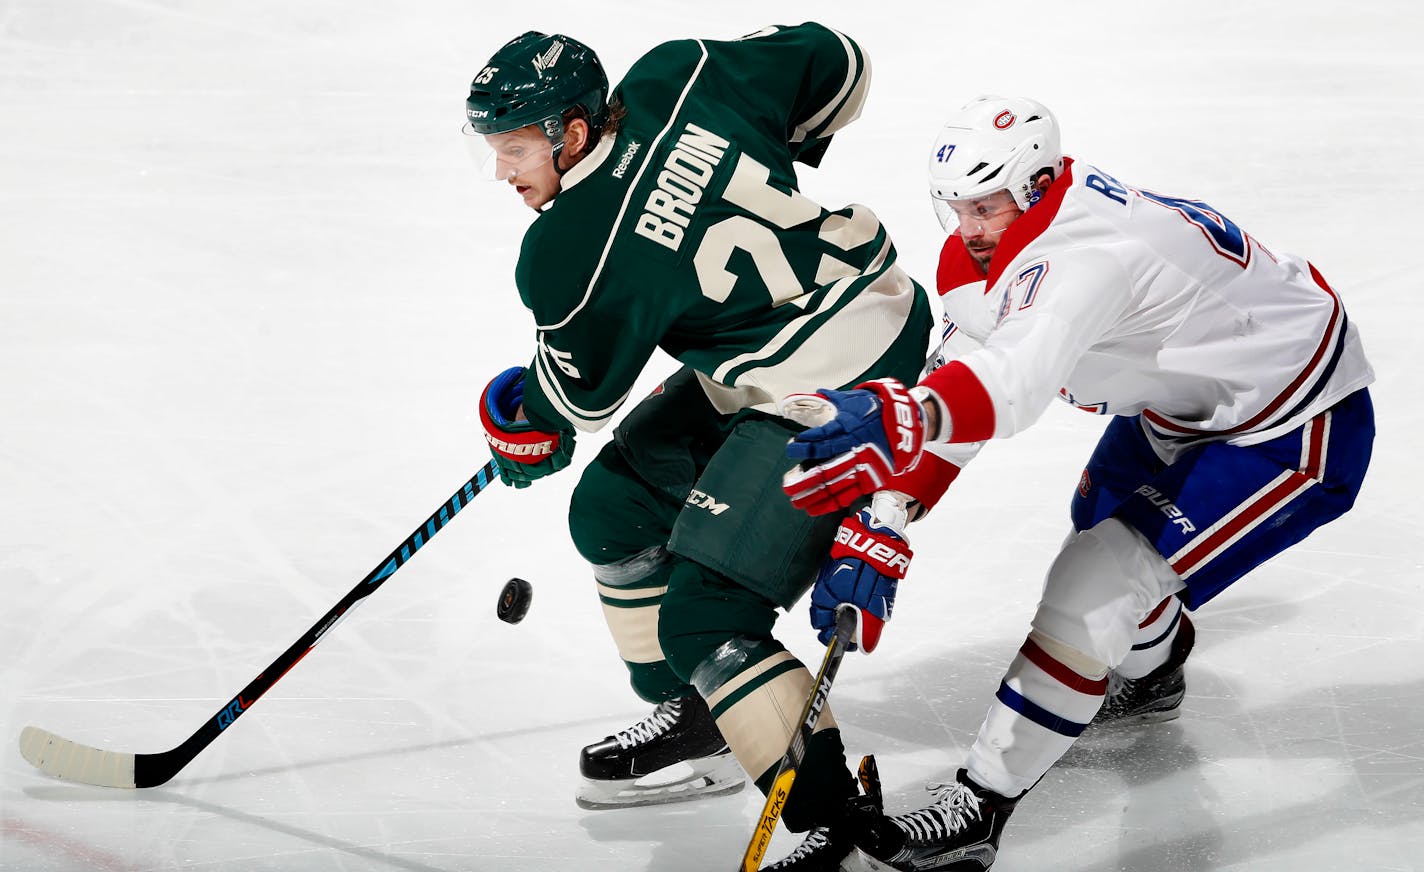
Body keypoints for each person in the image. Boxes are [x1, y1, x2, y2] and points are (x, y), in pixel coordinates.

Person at [778, 95, 1375, 870]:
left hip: (1289, 420)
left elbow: (1009, 389)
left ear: (1035, 185)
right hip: (1180, 400)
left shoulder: (1091, 252)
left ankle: (980, 804)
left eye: (985, 205)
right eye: (956, 205)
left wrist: (908, 418)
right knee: (1097, 523)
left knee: (1095, 583)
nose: (968, 227)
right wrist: (887, 514)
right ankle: (1155, 671)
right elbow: (965, 375)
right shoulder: (999, 244)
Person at [463, 24, 937, 869]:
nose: (503, 173)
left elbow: (577, 404)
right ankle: (705, 719)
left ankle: (841, 829)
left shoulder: (568, 249)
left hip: (839, 389)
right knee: (613, 510)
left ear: (573, 135)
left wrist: (519, 421)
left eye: (514, 149)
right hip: (833, 322)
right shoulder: (683, 71)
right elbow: (841, 62)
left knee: (706, 618)